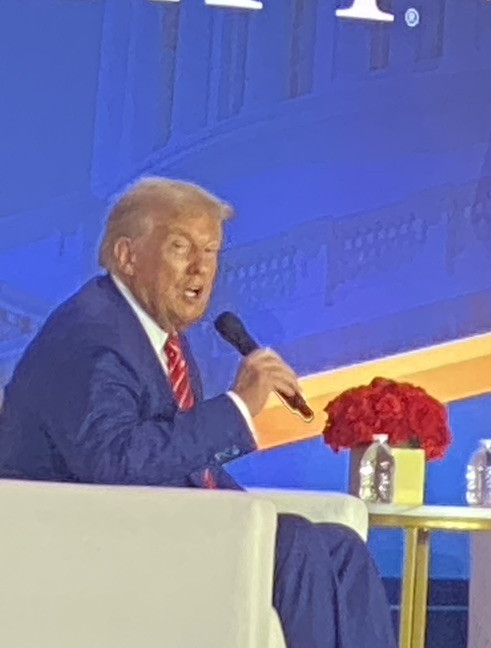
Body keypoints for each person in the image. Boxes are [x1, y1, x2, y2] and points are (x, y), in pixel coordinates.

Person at [0, 177, 397, 648]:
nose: (201, 269)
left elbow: (182, 464)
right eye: (180, 247)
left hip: (151, 525)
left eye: (210, 252)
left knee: (341, 548)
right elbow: (115, 461)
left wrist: (248, 511)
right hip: (83, 547)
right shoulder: (91, 337)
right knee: (296, 544)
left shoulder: (155, 333)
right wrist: (238, 406)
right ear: (127, 256)